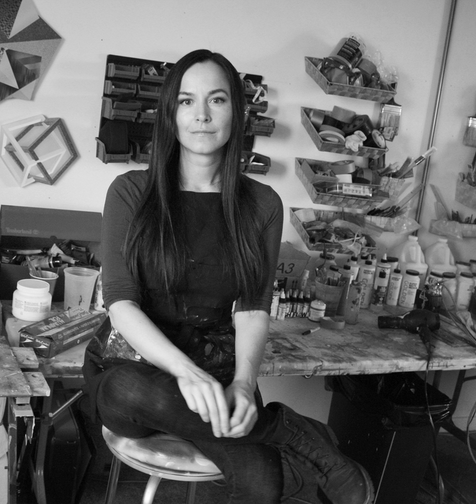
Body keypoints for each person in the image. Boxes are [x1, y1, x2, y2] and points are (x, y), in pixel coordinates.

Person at [83, 48, 374, 504]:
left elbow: (254, 307)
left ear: (237, 112)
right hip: (137, 366)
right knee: (123, 391)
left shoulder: (262, 204)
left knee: (263, 481)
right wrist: (184, 372)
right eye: (186, 101)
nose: (201, 115)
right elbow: (121, 301)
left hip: (217, 366)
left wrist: (241, 382)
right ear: (170, 114)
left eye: (217, 100)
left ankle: (264, 430)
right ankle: (288, 431)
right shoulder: (131, 192)